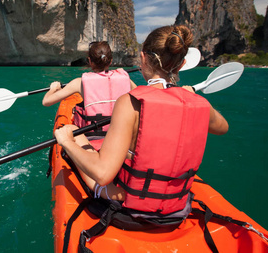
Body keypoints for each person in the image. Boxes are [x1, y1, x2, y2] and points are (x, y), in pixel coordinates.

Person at [54, 25, 229, 222]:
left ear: (143, 59)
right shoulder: (199, 104)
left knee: (77, 136)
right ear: (181, 65)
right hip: (177, 206)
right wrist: (190, 96)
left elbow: (102, 174)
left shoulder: (130, 102)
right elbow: (223, 127)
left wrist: (67, 141)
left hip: (131, 202)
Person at [43, 41, 136, 149]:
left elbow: (46, 101)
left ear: (90, 61)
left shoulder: (79, 83)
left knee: (68, 129)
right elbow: (141, 96)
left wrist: (53, 88)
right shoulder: (126, 79)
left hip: (93, 138)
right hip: (121, 136)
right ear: (110, 61)